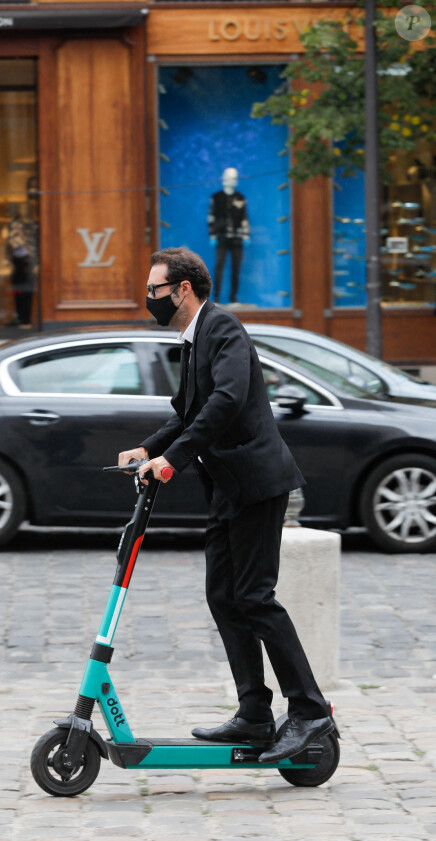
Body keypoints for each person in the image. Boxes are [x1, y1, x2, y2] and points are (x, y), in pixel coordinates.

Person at [118, 247, 333, 763]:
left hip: (256, 485)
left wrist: (174, 460)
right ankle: (254, 711)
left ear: (182, 290)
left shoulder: (224, 330)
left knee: (255, 597)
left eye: (155, 291)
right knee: (223, 595)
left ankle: (309, 710)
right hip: (226, 488)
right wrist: (150, 448)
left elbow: (228, 400)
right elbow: (187, 413)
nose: (149, 299)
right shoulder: (192, 342)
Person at [208, 168, 250, 304]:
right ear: (223, 178)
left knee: (236, 267)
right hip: (221, 236)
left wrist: (246, 234)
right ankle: (216, 298)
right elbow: (211, 216)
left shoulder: (240, 198)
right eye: (229, 177)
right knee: (219, 266)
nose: (232, 180)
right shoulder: (216, 197)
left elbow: (244, 217)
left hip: (237, 238)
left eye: (235, 177)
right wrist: (212, 234)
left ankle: (233, 298)